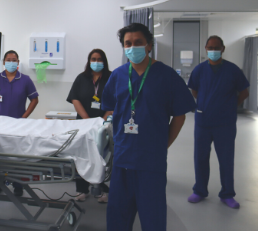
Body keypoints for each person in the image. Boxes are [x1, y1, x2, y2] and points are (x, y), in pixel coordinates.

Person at [101, 23, 196, 231]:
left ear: (149, 45)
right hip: (122, 160)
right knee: (117, 217)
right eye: (128, 43)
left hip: (151, 162)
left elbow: (180, 115)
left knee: (153, 219)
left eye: (138, 43)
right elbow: (108, 109)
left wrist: (164, 144)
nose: (132, 47)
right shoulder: (117, 76)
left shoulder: (167, 76)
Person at [187, 35, 249, 209]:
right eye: (210, 47)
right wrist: (208, 103)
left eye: (216, 47)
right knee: (200, 158)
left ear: (223, 49)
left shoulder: (233, 70)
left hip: (225, 123)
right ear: (205, 49)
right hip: (203, 122)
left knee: (226, 159)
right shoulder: (199, 70)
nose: (213, 50)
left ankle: (227, 194)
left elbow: (244, 93)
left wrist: (229, 106)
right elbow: (194, 90)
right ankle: (199, 191)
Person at [0, 50, 39, 196]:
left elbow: (34, 99)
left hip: (18, 124)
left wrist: (25, 116)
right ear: (4, 62)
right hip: (0, 124)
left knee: (17, 154)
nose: (11, 62)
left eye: (14, 60)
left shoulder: (25, 79)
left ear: (18, 62)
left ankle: (18, 184)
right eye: (9, 59)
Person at [67, 48, 111, 203]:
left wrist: (102, 122)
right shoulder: (82, 78)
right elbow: (75, 99)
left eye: (99, 59)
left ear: (104, 61)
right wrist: (87, 120)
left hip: (103, 124)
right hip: (83, 123)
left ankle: (98, 187)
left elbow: (115, 101)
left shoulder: (111, 78)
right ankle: (81, 189)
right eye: (93, 59)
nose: (96, 62)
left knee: (100, 155)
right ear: (89, 61)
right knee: (81, 155)